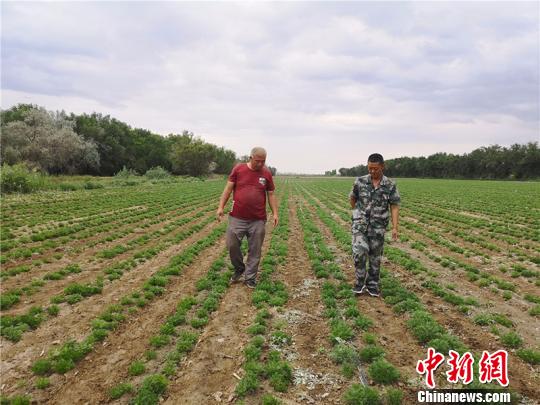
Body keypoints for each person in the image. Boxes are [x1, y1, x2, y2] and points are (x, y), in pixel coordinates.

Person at [217, 147, 278, 288]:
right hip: (237, 217)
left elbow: (271, 194)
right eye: (258, 161)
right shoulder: (239, 170)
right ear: (251, 158)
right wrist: (220, 207)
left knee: (255, 249)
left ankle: (250, 277)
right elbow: (228, 189)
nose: (261, 164)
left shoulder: (266, 174)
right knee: (232, 244)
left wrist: (275, 213)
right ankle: (239, 268)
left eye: (263, 161)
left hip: (258, 219)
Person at [349, 153, 400, 297]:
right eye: (369, 168)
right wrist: (357, 213)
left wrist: (395, 227)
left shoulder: (390, 184)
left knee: (375, 258)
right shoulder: (360, 181)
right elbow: (352, 198)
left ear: (382, 166)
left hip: (378, 227)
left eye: (375, 169)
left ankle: (372, 285)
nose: (372, 171)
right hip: (360, 225)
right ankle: (359, 282)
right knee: (359, 252)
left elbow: (394, 206)